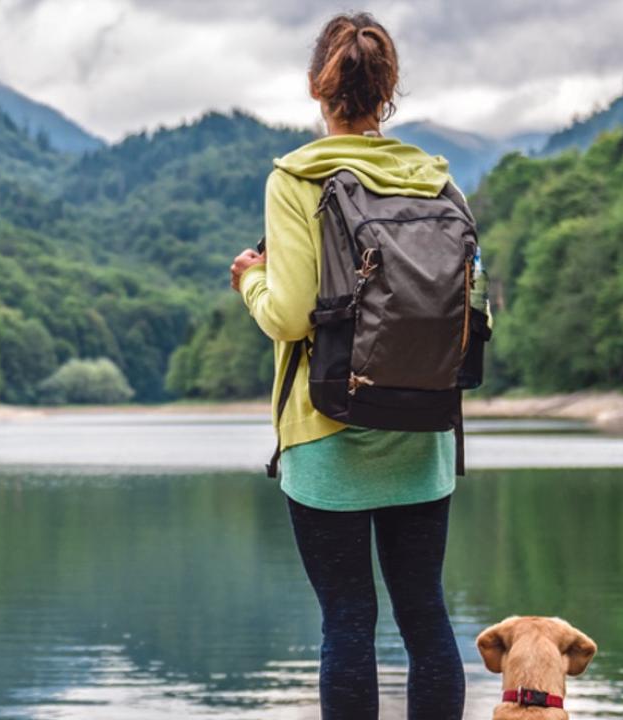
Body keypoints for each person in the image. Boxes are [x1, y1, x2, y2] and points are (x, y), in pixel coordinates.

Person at [228, 12, 466, 720]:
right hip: (423, 433)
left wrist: (249, 279)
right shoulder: (437, 182)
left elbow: (292, 314)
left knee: (348, 621)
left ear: (315, 88)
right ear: (388, 90)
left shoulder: (297, 177)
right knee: (425, 617)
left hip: (326, 431)